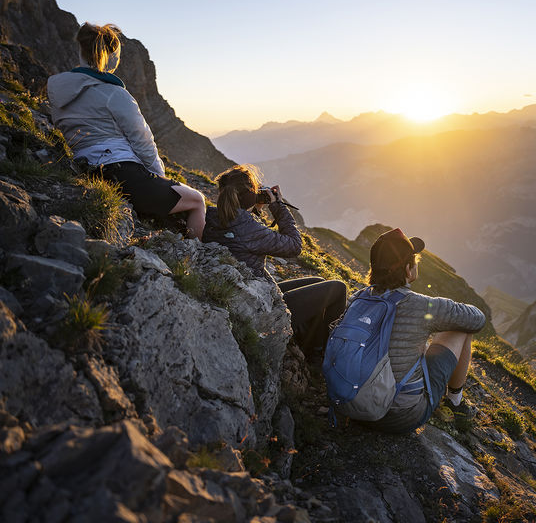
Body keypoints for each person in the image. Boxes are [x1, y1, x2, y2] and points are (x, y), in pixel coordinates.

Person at [47, 23, 206, 238]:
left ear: (81, 52)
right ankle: (192, 253)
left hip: (82, 167)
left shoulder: (58, 91)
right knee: (197, 200)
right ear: (110, 55)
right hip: (123, 173)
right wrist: (159, 179)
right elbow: (142, 140)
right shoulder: (113, 93)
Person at [203, 164, 346, 358]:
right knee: (337, 288)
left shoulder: (210, 215)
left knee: (318, 283)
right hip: (261, 312)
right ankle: (319, 355)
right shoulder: (249, 229)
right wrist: (277, 206)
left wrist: (253, 209)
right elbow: (295, 246)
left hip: (243, 294)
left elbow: (240, 231)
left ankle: (308, 344)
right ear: (249, 195)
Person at [359, 227, 485, 433]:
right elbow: (477, 320)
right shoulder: (419, 304)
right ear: (409, 270)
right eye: (415, 260)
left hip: (350, 402)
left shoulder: (359, 299)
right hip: (398, 416)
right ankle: (455, 402)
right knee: (462, 328)